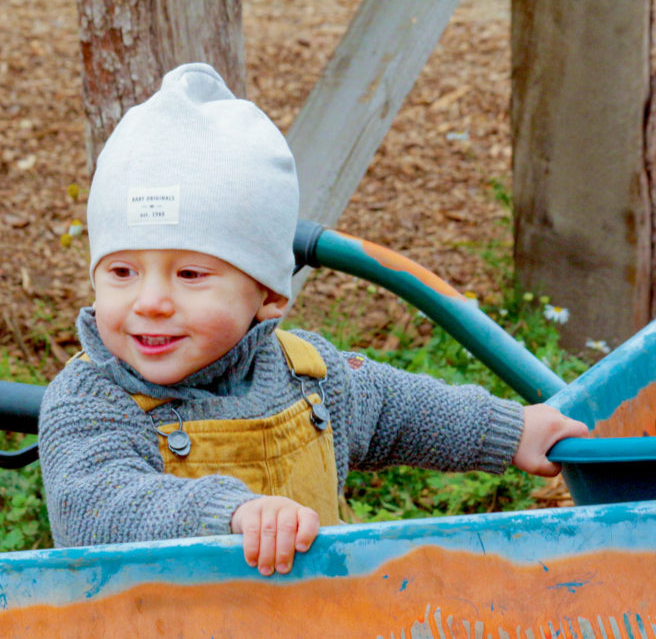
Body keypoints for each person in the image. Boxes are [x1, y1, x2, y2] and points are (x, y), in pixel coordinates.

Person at [37, 62, 587, 577]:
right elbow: (95, 506)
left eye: (190, 275)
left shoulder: (310, 378)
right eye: (123, 271)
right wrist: (229, 513)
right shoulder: (92, 400)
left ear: (270, 295)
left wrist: (510, 429)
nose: (150, 301)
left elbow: (404, 411)